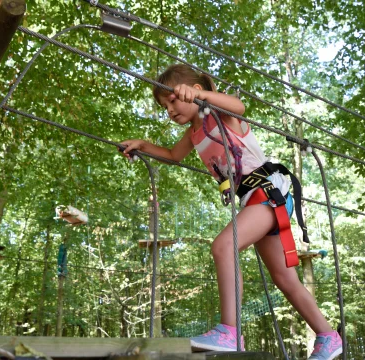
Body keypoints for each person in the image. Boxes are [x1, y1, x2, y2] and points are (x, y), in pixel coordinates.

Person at [120, 64, 342, 360]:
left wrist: (205, 97)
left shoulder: (220, 115)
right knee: (285, 278)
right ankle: (328, 336)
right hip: (255, 201)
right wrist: (144, 145)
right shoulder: (194, 133)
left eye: (173, 100)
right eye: (165, 106)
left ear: (194, 92)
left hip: (267, 193)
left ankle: (229, 332)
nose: (170, 110)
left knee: (224, 246)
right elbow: (174, 156)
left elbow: (240, 105)